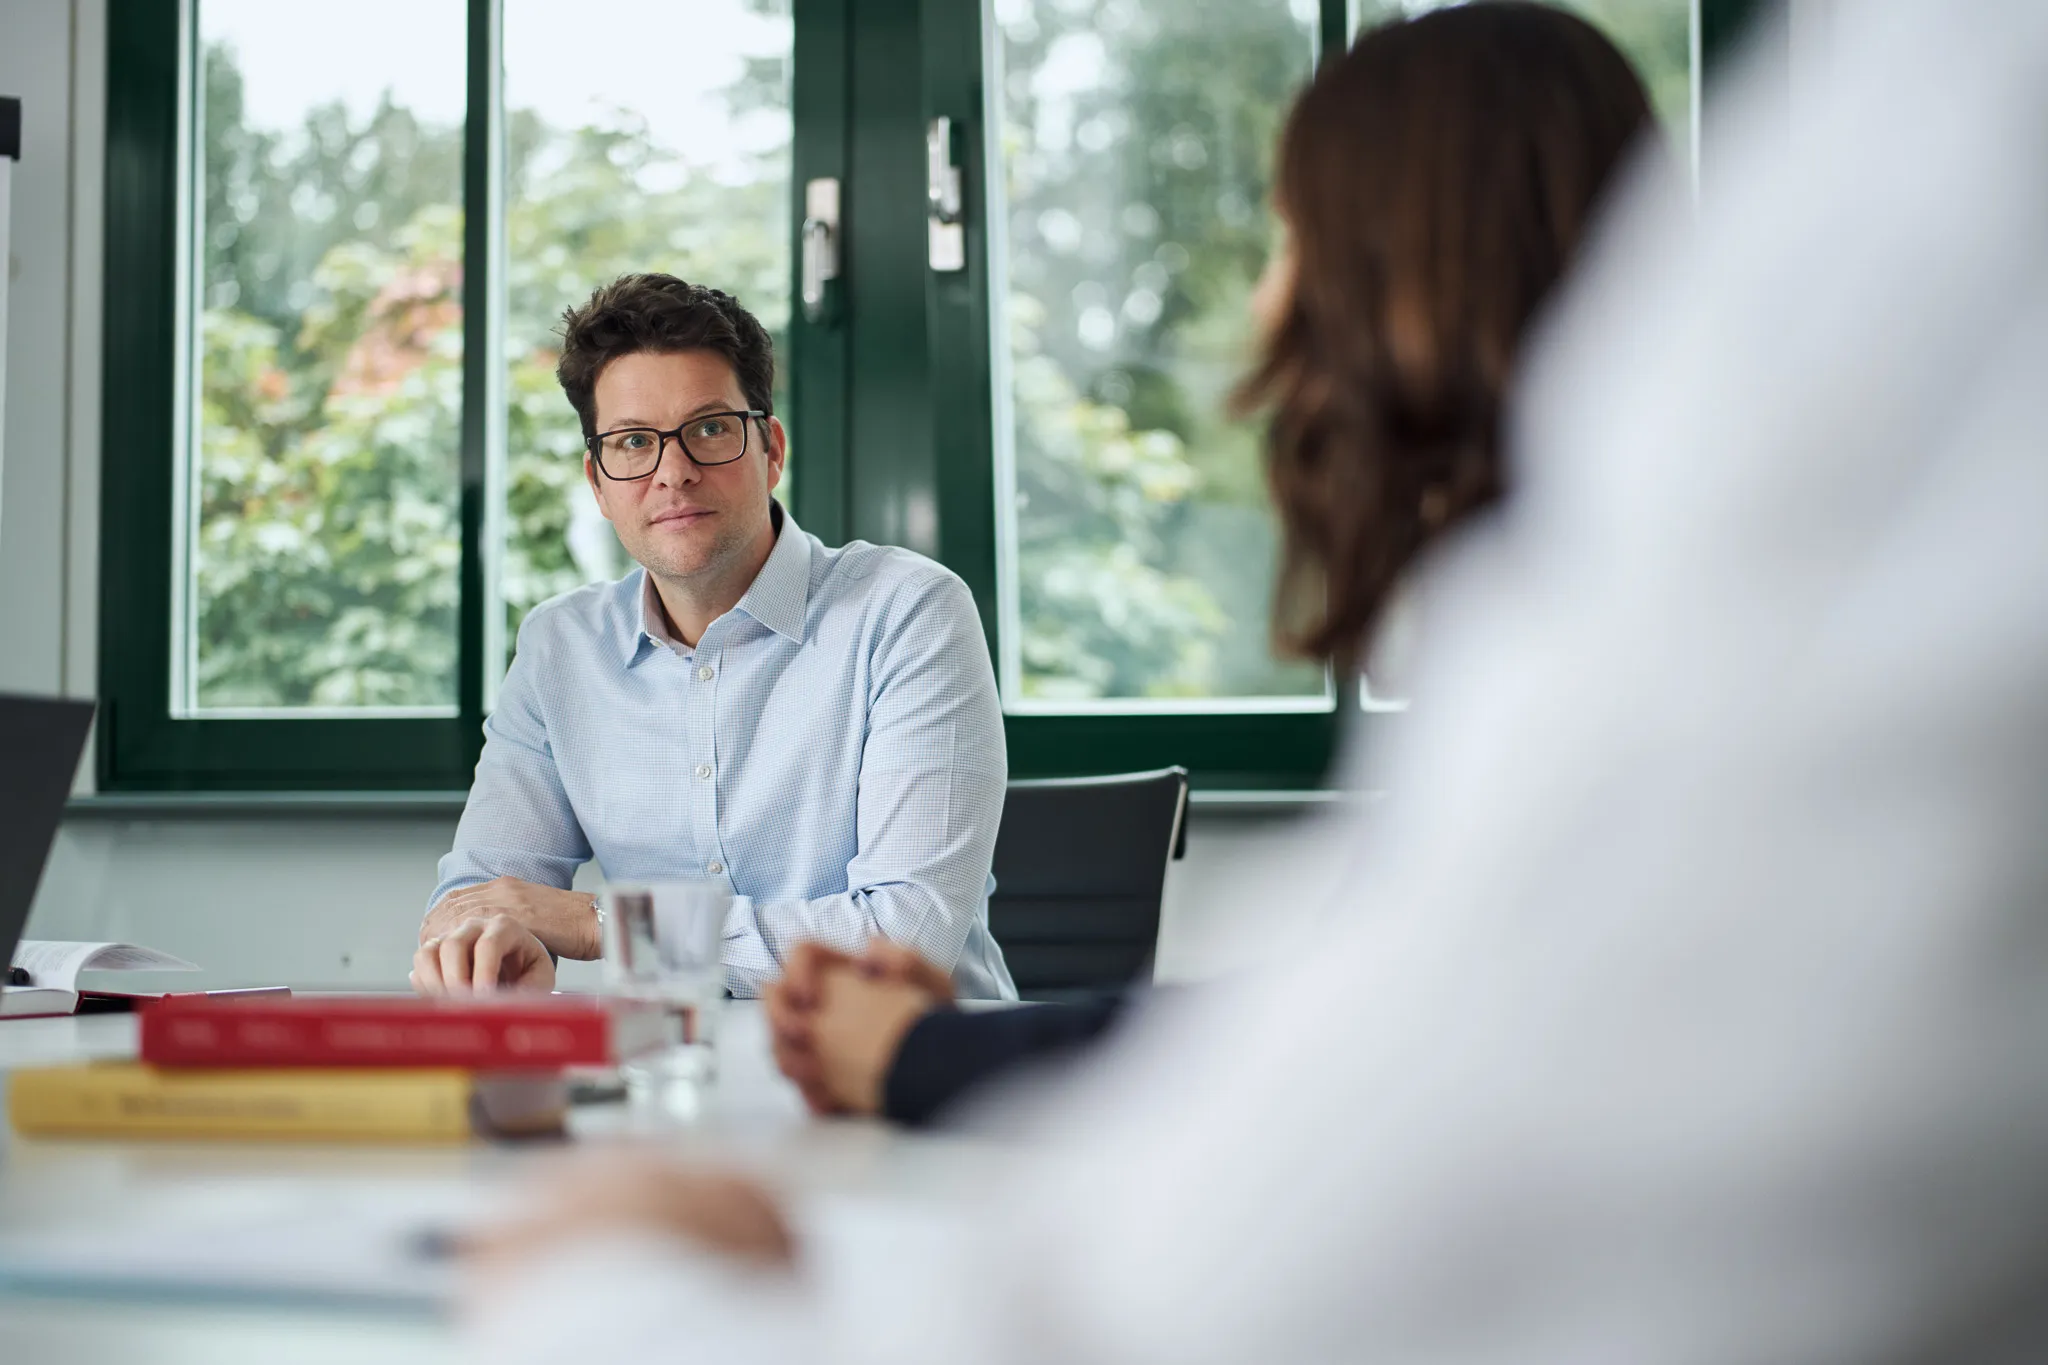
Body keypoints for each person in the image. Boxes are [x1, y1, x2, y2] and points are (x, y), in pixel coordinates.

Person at [465, 0, 2048, 1359]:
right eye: (630, 443)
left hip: (878, 1171)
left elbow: (1150, 1298)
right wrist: (505, 930)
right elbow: (1310, 1045)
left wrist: (596, 1278)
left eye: (1298, 250)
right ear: (597, 476)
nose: (1270, 313)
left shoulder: (1708, 708)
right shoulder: (1579, 687)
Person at [767, 0, 1659, 1123]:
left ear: (1422, 275)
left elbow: (1373, 1065)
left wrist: (916, 1058)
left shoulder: (1610, 664)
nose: (1267, 298)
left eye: (1295, 241)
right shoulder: (1564, 604)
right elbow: (1335, 1013)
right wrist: (930, 1046)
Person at [411, 275, 1016, 1000]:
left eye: (709, 429)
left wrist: (608, 923)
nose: (674, 472)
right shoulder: (558, 649)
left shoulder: (909, 613)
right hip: (673, 1077)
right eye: (633, 442)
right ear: (599, 485)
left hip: (923, 1081)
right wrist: (486, 955)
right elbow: (478, 899)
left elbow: (902, 940)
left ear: (772, 450)